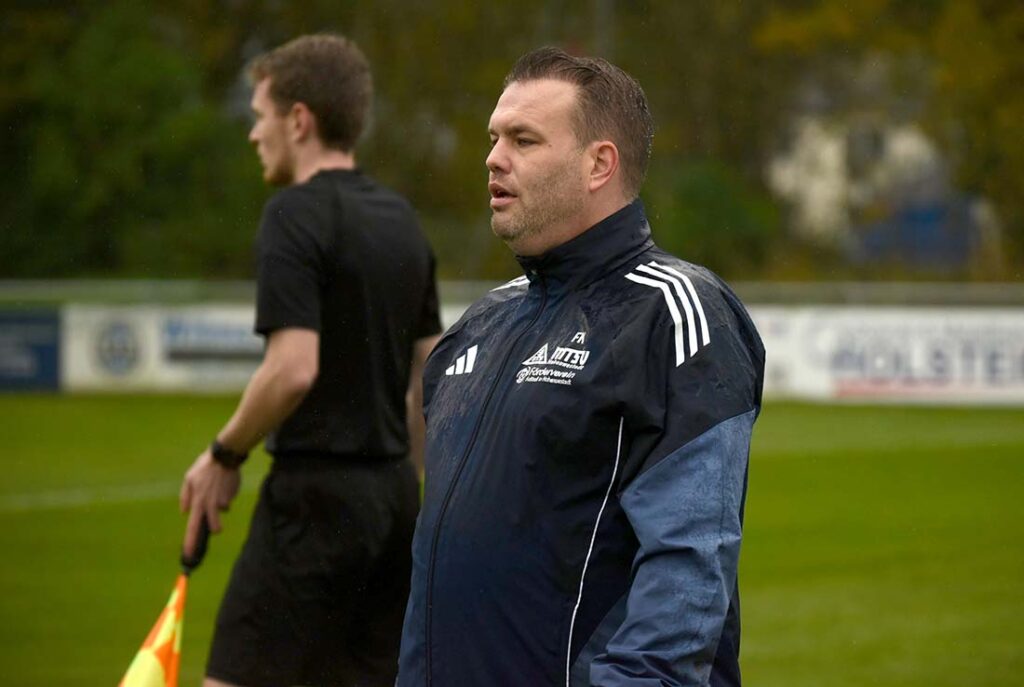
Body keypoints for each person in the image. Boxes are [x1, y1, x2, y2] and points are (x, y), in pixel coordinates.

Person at [397, 47, 764, 687]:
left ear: (598, 164)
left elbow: (688, 566)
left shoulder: (673, 315)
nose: (492, 158)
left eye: (524, 139)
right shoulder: (478, 326)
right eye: (493, 138)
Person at [179, 34, 442, 687]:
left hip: (314, 501)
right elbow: (429, 371)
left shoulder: (292, 216)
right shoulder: (403, 220)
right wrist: (413, 493)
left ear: (299, 120)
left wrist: (224, 454)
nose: (252, 133)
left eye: (260, 114)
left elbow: (293, 367)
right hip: (393, 503)